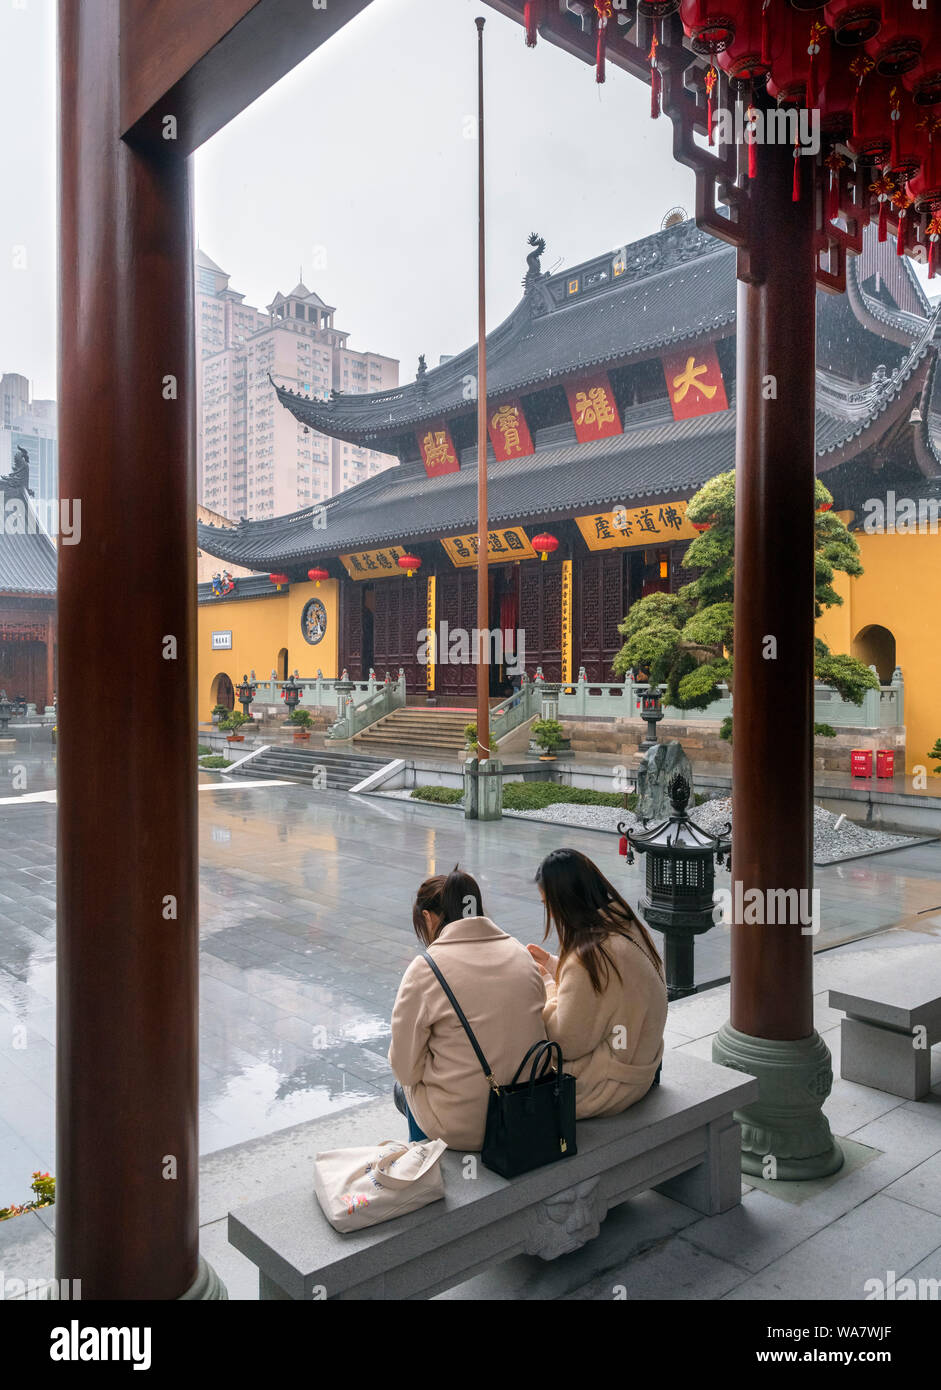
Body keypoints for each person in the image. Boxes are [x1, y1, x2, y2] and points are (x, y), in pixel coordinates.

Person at [389, 866, 547, 1150]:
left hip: (464, 1129)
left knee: (404, 1085)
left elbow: (405, 1070)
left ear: (427, 917)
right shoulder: (520, 952)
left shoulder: (426, 969)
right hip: (529, 1107)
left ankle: (423, 1162)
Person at [528, 849, 666, 1119]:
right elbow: (607, 992)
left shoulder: (588, 957)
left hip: (607, 1086)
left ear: (565, 903)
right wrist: (556, 966)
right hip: (641, 1067)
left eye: (549, 905)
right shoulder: (626, 926)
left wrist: (545, 984)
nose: (551, 915)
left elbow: (566, 1041)